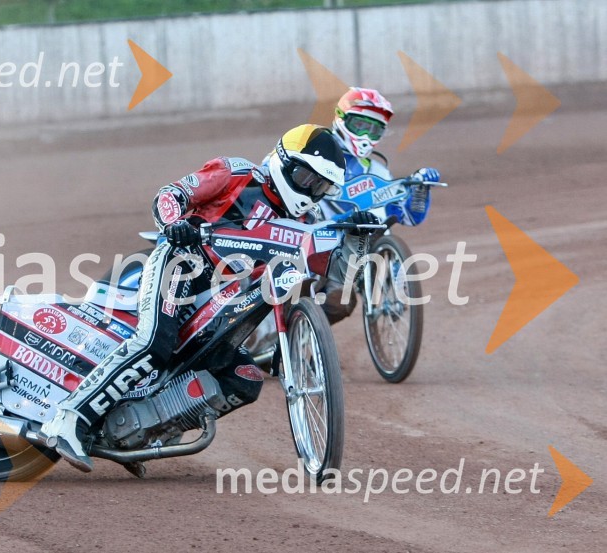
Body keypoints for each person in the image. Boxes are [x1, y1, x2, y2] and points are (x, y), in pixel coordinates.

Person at [40, 124, 378, 472]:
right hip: (183, 262)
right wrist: (175, 225)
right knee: (154, 344)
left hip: (223, 301)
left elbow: (336, 281)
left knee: (244, 378)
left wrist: (355, 239)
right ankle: (68, 419)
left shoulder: (307, 222)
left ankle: (141, 435)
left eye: (321, 186)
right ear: (283, 162)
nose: (311, 191)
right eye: (307, 178)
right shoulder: (237, 173)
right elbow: (169, 196)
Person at [321, 87, 441, 323]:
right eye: (360, 126)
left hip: (351, 248)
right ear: (341, 117)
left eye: (375, 130)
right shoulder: (318, 148)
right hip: (308, 236)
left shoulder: (378, 170)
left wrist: (420, 188)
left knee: (341, 303)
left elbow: (407, 215)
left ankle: (303, 338)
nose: (366, 136)